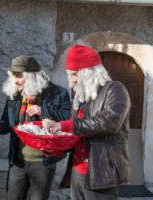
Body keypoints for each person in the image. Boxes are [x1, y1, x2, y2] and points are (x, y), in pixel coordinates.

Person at [49, 45, 131, 200]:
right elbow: (75, 132)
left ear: (89, 72)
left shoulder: (115, 89)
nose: (72, 80)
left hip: (102, 173)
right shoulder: (82, 96)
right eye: (70, 75)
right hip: (77, 171)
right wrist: (56, 146)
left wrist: (67, 125)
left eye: (75, 74)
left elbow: (109, 122)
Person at [0, 55, 71, 200]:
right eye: (13, 76)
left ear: (33, 75)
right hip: (18, 159)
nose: (15, 80)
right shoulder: (14, 96)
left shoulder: (57, 93)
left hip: (43, 161)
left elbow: (66, 119)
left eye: (19, 76)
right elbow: (7, 124)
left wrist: (43, 111)